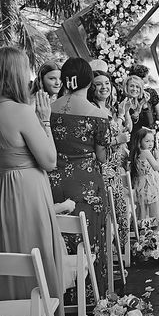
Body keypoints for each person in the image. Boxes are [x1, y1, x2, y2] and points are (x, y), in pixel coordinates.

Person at [0, 47, 66, 316]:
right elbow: (49, 160)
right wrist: (46, 121)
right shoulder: (22, 112)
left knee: (3, 260)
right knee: (34, 258)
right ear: (13, 74)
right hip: (25, 192)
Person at [48, 57, 110, 292]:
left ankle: (59, 293)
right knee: (88, 239)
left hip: (53, 182)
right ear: (89, 82)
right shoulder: (97, 115)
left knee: (59, 237)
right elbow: (103, 156)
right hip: (86, 184)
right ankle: (91, 295)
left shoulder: (48, 109)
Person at [88, 70, 130, 243]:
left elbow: (118, 129)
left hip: (115, 167)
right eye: (98, 84)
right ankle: (111, 254)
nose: (104, 87)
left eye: (106, 83)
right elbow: (95, 142)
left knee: (121, 212)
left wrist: (121, 114)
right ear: (91, 88)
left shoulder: (107, 109)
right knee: (110, 214)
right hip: (103, 169)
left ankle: (120, 250)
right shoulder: (92, 110)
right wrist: (117, 140)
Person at [129, 127, 159, 224]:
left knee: (142, 209)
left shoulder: (135, 153)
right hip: (149, 185)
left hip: (140, 184)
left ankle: (142, 229)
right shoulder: (146, 152)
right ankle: (155, 231)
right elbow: (156, 167)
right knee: (153, 210)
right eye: (147, 141)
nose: (150, 144)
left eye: (152, 141)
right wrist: (158, 157)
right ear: (139, 141)